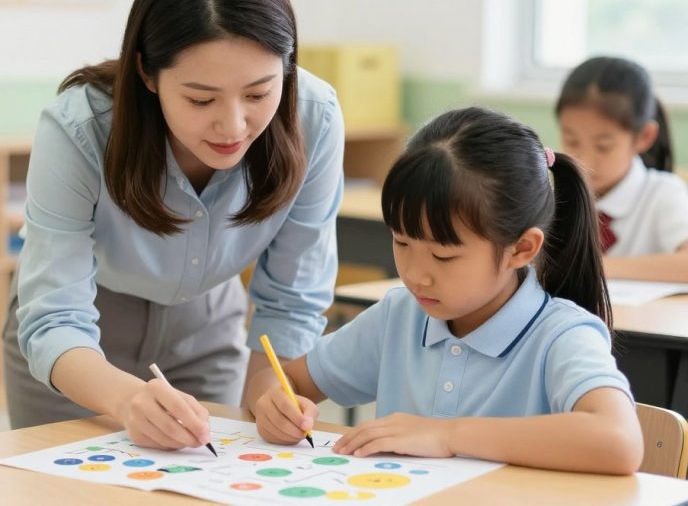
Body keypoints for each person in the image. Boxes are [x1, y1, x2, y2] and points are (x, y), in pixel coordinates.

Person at [3, 0, 344, 451]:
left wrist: (270, 393)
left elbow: (294, 296)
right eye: (200, 98)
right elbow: (55, 315)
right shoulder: (80, 127)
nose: (233, 124)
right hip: (81, 342)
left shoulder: (312, 117)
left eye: (258, 93)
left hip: (207, 327)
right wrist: (125, 398)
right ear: (146, 73)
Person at [245, 107, 643, 475]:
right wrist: (274, 404)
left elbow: (620, 442)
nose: (416, 275)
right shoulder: (400, 316)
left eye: (444, 256)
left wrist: (447, 435)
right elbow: (284, 380)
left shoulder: (561, 335)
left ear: (522, 249)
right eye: (402, 242)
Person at [556, 56, 688, 282]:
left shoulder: (663, 194)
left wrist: (594, 267)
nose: (585, 160)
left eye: (603, 146)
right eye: (572, 141)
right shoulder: (557, 195)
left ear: (644, 137)